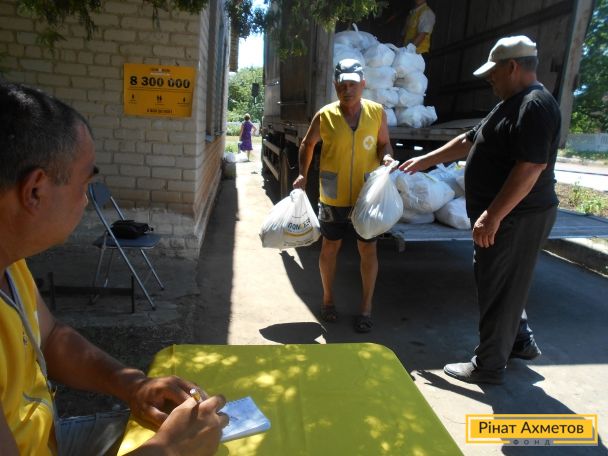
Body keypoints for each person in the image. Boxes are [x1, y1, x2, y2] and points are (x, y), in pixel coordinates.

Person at [0, 81, 229, 455]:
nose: (86, 200)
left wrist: (133, 385)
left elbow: (51, 337)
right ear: (35, 191)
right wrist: (169, 450)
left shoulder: (11, 261)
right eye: (84, 184)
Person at [399, 36, 559, 384]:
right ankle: (518, 340)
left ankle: (488, 365)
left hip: (518, 216)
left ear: (512, 67)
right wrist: (425, 161)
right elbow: (469, 140)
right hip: (506, 216)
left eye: (493, 73)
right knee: (500, 282)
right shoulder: (509, 105)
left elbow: (532, 166)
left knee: (499, 287)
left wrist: (493, 215)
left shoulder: (535, 105)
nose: (490, 80)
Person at [293, 59, 394, 333]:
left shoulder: (377, 113)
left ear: (363, 84)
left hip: (365, 195)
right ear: (335, 85)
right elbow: (307, 144)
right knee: (330, 246)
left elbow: (384, 144)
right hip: (333, 194)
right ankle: (328, 301)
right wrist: (302, 174)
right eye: (341, 85)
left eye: (352, 84)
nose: (347, 90)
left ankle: (366, 309)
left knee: (368, 249)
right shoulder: (325, 115)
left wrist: (386, 158)